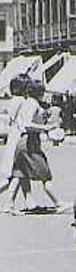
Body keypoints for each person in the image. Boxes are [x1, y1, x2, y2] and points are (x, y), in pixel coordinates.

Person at [12, 80, 64, 213]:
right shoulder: (33, 104)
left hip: (22, 142)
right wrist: (46, 128)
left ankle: (30, 203)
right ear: (39, 92)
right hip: (29, 142)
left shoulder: (28, 103)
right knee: (45, 173)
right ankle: (58, 203)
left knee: (23, 174)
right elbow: (28, 125)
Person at [0, 76, 30, 214]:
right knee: (17, 174)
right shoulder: (21, 101)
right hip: (18, 137)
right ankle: (9, 204)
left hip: (14, 136)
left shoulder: (14, 101)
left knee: (17, 174)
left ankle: (15, 203)